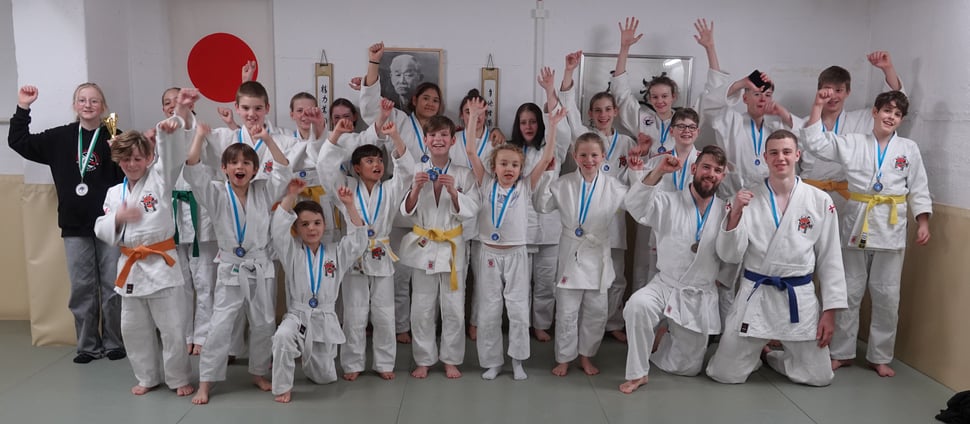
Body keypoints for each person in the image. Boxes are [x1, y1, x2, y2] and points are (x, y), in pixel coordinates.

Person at [800, 89, 931, 377]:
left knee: (887, 295)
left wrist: (922, 221)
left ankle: (879, 356)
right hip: (857, 222)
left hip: (891, 227)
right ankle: (841, 352)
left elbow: (919, 186)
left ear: (901, 120)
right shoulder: (853, 142)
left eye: (897, 114)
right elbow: (816, 143)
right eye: (887, 111)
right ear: (875, 112)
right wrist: (818, 105)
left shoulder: (908, 149)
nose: (891, 117)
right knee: (849, 290)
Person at [706, 130, 848, 387]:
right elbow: (729, 255)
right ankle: (753, 355)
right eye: (774, 152)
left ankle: (772, 357)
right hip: (755, 293)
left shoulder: (819, 200)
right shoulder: (747, 198)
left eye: (786, 152)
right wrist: (735, 214)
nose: (780, 158)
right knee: (724, 374)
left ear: (797, 155)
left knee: (820, 377)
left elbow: (831, 259)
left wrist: (829, 312)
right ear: (765, 157)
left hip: (799, 297)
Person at [8, 83, 126, 364]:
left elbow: (135, 169)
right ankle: (87, 346)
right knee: (82, 288)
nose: (88, 105)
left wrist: (120, 153)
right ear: (75, 105)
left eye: (94, 101)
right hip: (74, 225)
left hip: (110, 223)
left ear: (103, 107)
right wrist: (23, 107)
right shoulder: (60, 138)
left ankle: (114, 342)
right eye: (82, 100)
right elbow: (19, 141)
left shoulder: (115, 136)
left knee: (113, 287)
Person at [93, 90, 196, 396]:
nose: (132, 163)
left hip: (161, 265)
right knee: (133, 329)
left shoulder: (160, 179)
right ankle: (147, 376)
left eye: (138, 158)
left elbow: (173, 155)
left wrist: (177, 117)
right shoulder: (114, 193)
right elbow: (101, 228)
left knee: (172, 328)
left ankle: (178, 378)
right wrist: (119, 218)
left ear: (149, 158)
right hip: (131, 267)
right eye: (126, 159)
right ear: (118, 160)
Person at [184, 118, 291, 405]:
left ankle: (258, 372)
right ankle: (206, 382)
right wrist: (199, 136)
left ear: (255, 169)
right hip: (231, 267)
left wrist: (268, 140)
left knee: (264, 323)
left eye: (246, 163)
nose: (239, 167)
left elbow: (284, 169)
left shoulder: (264, 191)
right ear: (224, 168)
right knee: (220, 325)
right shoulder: (216, 193)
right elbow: (193, 168)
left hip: (260, 265)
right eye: (233, 163)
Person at [465, 95, 562, 380]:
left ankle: (518, 360)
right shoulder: (485, 182)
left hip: (517, 253)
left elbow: (547, 156)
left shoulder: (526, 186)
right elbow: (470, 150)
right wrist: (474, 117)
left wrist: (553, 126)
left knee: (518, 309)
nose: (509, 169)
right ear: (494, 166)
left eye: (514, 165)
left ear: (521, 169)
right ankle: (492, 361)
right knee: (489, 310)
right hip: (489, 253)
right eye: (503, 164)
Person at [619, 145, 728, 393]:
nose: (711, 174)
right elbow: (635, 205)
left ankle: (663, 336)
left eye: (717, 170)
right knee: (638, 305)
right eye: (706, 167)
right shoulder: (668, 201)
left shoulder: (726, 210)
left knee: (686, 368)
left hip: (698, 291)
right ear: (694, 169)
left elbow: (733, 251)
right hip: (666, 284)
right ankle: (638, 373)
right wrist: (658, 171)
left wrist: (722, 278)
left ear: (723, 176)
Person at [318, 103, 414, 382]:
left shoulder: (390, 189)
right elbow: (325, 168)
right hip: (354, 254)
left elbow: (407, 172)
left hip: (382, 253)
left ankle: (384, 362)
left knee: (384, 314)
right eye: (369, 161)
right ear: (357, 168)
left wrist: (395, 137)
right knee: (355, 313)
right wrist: (335, 135)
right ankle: (352, 362)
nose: (376, 165)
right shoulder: (345, 188)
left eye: (379, 160)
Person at [362, 42, 446, 344]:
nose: (430, 103)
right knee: (400, 273)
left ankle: (427, 327)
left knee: (427, 276)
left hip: (432, 210)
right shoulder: (397, 119)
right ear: (414, 100)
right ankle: (400, 326)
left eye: (435, 100)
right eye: (425, 98)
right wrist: (373, 63)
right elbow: (370, 110)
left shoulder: (443, 130)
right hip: (400, 206)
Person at [560, 50, 639, 342]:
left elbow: (632, 180)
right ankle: (582, 325)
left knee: (615, 274)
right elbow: (568, 108)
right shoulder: (583, 136)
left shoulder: (628, 142)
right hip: (584, 216)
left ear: (615, 111)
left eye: (607, 109)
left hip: (613, 216)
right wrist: (569, 72)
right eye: (597, 110)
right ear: (591, 114)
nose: (603, 115)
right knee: (582, 273)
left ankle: (612, 322)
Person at [535, 132, 629, 377]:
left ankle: (586, 356)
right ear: (575, 156)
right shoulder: (563, 184)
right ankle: (564, 358)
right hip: (571, 252)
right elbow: (541, 206)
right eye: (584, 155)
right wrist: (548, 174)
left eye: (594, 155)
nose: (589, 160)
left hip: (597, 252)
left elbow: (638, 206)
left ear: (603, 156)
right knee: (567, 311)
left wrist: (639, 175)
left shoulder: (614, 186)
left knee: (596, 311)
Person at [269, 179, 367, 403]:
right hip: (297, 315)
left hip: (324, 317)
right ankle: (283, 387)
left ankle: (310, 360)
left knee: (324, 377)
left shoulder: (336, 252)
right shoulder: (291, 251)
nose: (311, 228)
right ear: (296, 228)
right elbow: (278, 230)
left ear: (325, 225)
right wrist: (291, 195)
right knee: (282, 336)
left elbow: (358, 242)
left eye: (316, 223)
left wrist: (350, 205)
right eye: (304, 224)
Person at [398, 115, 480, 379]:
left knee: (454, 307)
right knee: (422, 307)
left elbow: (473, 208)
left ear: (453, 140)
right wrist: (415, 189)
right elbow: (404, 210)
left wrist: (455, 194)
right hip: (424, 246)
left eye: (444, 135)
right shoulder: (416, 171)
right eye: (432, 135)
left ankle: (451, 359)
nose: (438, 139)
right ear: (425, 140)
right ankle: (423, 359)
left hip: (452, 246)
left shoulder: (463, 173)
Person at [612, 17, 683, 293]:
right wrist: (624, 48)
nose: (660, 101)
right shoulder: (643, 119)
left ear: (674, 96)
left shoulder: (684, 122)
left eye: (664, 96)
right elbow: (620, 94)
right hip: (650, 192)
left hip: (676, 194)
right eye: (654, 97)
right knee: (643, 256)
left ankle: (667, 312)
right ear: (649, 98)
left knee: (671, 253)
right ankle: (641, 308)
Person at [695, 18, 800, 196]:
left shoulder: (777, 128)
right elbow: (713, 98)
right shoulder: (731, 122)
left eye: (767, 95)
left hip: (769, 196)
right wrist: (710, 49)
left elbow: (807, 138)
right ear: (744, 98)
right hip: (733, 194)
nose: (763, 99)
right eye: (757, 94)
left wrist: (782, 113)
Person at [799, 52, 903, 211]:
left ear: (847, 92)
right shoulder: (805, 123)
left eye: (839, 90)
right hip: (809, 194)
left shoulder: (860, 119)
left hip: (844, 197)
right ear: (819, 91)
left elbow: (894, 101)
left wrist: (887, 68)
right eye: (827, 89)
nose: (833, 96)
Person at [515, 69, 573, 343]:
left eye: (533, 121)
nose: (528, 126)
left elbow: (559, 127)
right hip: (520, 226)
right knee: (520, 283)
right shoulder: (511, 151)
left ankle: (541, 324)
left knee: (546, 281)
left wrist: (550, 90)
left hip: (550, 224)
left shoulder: (553, 148)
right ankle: (521, 324)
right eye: (523, 122)